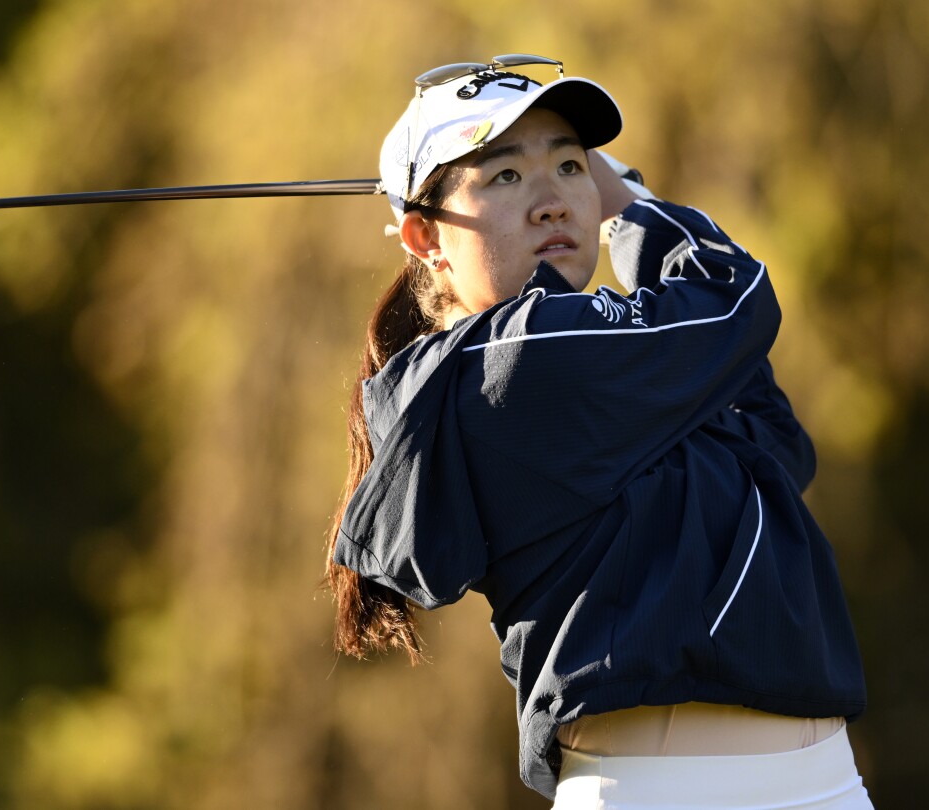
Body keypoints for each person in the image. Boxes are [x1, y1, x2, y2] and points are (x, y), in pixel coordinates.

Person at [325, 55, 873, 809]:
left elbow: (775, 444)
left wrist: (605, 197)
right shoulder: (508, 362)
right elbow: (734, 296)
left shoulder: (611, 370)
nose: (553, 201)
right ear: (424, 237)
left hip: (826, 785)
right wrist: (628, 201)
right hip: (661, 792)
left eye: (570, 166)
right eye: (505, 176)